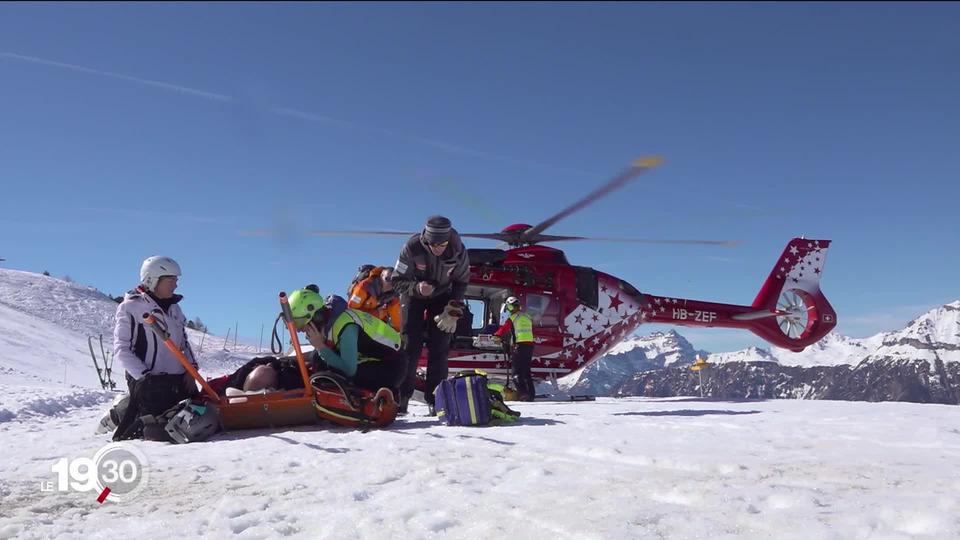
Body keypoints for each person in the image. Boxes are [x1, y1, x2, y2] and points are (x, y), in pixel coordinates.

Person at [112, 256, 199, 440]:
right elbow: (122, 349)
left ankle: (130, 406)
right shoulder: (131, 307)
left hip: (177, 379)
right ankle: (120, 412)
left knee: (199, 416)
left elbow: (183, 344)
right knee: (160, 431)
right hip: (149, 381)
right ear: (153, 280)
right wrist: (145, 378)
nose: (175, 285)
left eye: (176, 280)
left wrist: (191, 372)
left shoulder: (175, 309)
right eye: (171, 280)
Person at [391, 215, 470, 414]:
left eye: (442, 244)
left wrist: (453, 308)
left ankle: (436, 398)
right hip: (413, 295)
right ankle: (402, 397)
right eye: (433, 244)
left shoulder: (458, 251)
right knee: (409, 346)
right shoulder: (411, 247)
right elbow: (397, 281)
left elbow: (461, 282)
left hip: (442, 296)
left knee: (440, 346)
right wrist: (417, 288)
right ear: (426, 238)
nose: (438, 248)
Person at [288, 286, 405, 398]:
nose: (300, 330)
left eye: (301, 323)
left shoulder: (346, 326)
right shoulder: (330, 324)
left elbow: (349, 369)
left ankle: (385, 395)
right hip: (371, 360)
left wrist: (320, 347)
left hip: (391, 368)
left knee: (338, 371)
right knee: (317, 359)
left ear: (316, 317)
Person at [494, 296, 536, 401]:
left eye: (509, 307)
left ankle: (522, 394)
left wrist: (496, 336)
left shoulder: (513, 318)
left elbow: (504, 328)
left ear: (512, 307)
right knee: (526, 372)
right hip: (529, 346)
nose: (509, 309)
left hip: (519, 346)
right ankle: (531, 394)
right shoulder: (527, 316)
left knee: (516, 373)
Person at [347, 266, 402, 333]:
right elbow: (351, 311)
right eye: (387, 279)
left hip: (374, 324)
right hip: (356, 323)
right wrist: (377, 314)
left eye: (393, 281)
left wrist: (401, 333)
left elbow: (397, 321)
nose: (390, 283)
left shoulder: (394, 295)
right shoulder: (364, 286)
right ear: (381, 276)